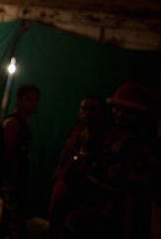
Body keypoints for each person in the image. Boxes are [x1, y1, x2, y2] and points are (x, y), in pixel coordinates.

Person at [62, 82, 161, 239]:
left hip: (125, 216)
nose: (119, 115)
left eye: (127, 111)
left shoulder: (146, 143)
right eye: (117, 109)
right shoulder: (108, 134)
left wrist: (131, 177)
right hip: (93, 211)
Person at [48, 96, 107, 239]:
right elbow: (66, 152)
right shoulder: (77, 131)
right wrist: (59, 170)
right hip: (64, 184)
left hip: (82, 193)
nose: (86, 113)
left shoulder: (103, 137)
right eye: (83, 109)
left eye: (91, 109)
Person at [0, 84, 41, 239]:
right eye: (28, 99)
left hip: (18, 181)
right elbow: (10, 156)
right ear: (19, 100)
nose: (32, 103)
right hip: (11, 181)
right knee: (15, 223)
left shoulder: (25, 123)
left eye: (35, 100)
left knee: (8, 220)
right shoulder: (13, 123)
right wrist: (14, 183)